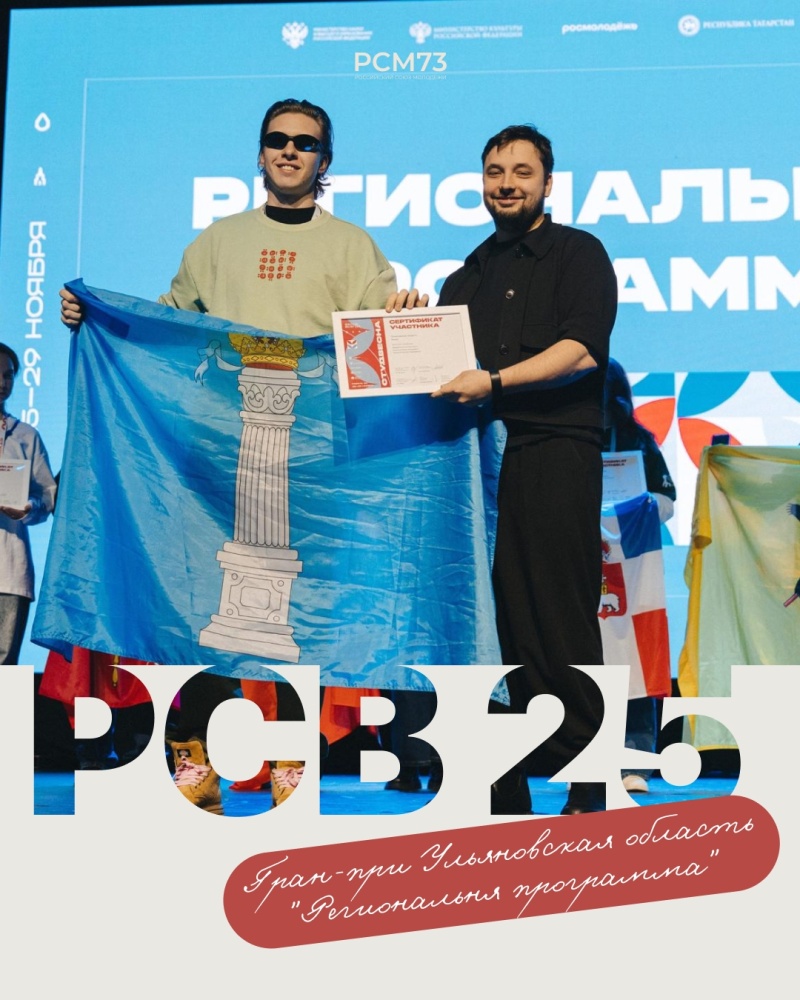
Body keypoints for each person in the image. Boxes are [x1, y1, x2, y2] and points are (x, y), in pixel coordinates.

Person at [61, 97, 423, 810]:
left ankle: (290, 763)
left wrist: (406, 321)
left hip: (312, 464)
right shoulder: (216, 243)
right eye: (277, 140)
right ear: (260, 154)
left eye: (305, 143)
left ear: (324, 161)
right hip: (217, 458)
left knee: (301, 617)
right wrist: (95, 320)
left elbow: (375, 348)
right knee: (208, 609)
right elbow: (166, 334)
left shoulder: (354, 248)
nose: (289, 151)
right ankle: (192, 757)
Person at [403, 123, 618, 815]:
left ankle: (589, 781)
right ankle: (504, 785)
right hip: (473, 468)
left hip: (554, 452)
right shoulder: (464, 276)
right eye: (495, 172)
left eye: (522, 172)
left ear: (547, 183)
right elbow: (433, 374)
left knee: (560, 614)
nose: (507, 184)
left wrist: (494, 383)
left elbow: (582, 351)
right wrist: (403, 321)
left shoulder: (579, 253)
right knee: (489, 623)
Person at [602, 357, 676, 794]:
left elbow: (667, 501)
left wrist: (640, 507)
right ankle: (591, 757)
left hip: (635, 567)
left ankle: (635, 762)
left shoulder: (639, 441)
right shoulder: (568, 442)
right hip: (584, 563)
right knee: (590, 662)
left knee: (636, 661)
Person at [0, 343, 57, 664]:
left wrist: (28, 508)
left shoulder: (25, 435)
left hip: (9, 571)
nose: (2, 382)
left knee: (4, 671)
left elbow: (47, 495)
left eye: (8, 375)